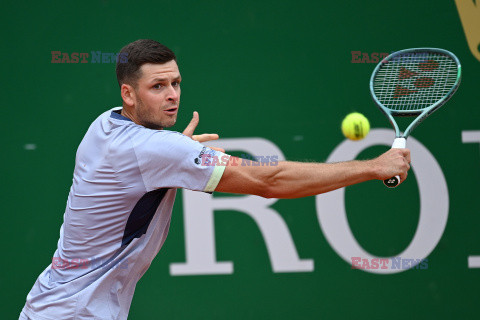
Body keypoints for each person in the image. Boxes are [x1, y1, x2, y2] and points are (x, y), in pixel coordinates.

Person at [20, 39, 410, 320]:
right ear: (129, 94)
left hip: (49, 305)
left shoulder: (105, 124)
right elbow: (270, 180)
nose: (172, 95)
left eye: (175, 83)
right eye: (157, 87)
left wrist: (175, 153)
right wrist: (373, 166)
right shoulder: (158, 150)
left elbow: (140, 162)